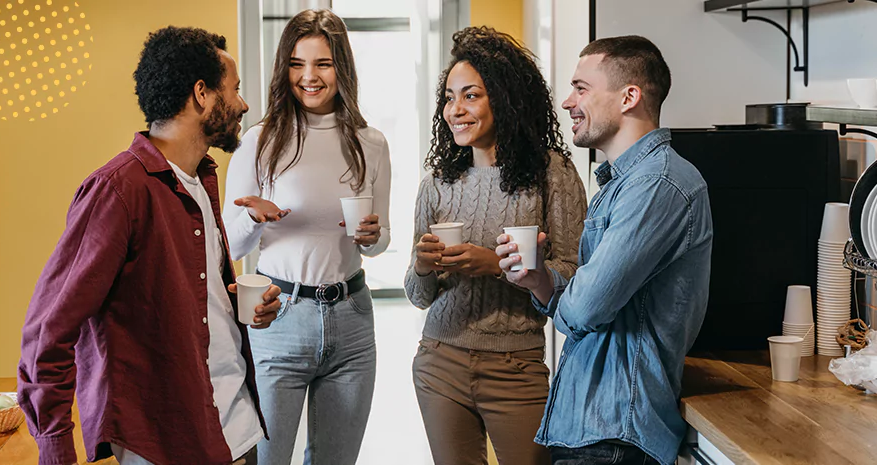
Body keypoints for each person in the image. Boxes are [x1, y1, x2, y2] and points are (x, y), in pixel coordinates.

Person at [17, 26, 283, 465]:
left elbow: (185, 301)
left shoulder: (202, 179)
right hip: (166, 440)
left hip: (236, 426)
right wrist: (55, 449)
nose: (243, 104)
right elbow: (48, 330)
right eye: (234, 90)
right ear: (202, 94)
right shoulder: (119, 190)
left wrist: (239, 309)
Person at [496, 35, 713, 465]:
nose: (566, 101)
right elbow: (587, 301)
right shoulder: (624, 183)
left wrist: (568, 295)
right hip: (592, 428)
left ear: (629, 96)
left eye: (582, 88)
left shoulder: (657, 185)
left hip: (616, 434)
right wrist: (539, 280)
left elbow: (586, 308)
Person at [405, 26, 587, 465]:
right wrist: (423, 267)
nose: (455, 110)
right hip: (439, 360)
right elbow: (416, 294)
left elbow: (577, 277)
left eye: (471, 96)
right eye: (449, 97)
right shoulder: (437, 185)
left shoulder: (552, 174)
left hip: (516, 368)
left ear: (504, 99)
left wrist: (496, 264)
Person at [223, 9, 391, 465]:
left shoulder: (370, 141)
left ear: (342, 67)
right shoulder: (258, 142)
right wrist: (255, 219)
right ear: (285, 68)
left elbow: (380, 242)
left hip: (353, 319)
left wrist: (372, 236)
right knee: (266, 460)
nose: (309, 77)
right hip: (278, 320)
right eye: (297, 64)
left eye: (323, 63)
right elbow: (230, 248)